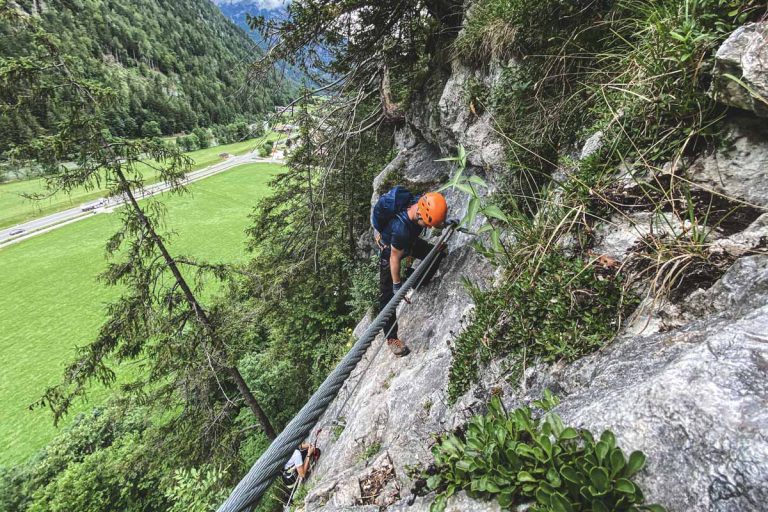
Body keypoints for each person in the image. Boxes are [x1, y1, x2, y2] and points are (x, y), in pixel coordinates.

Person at [372, 189, 449, 357]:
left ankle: (415, 280)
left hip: (409, 242)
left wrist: (446, 222)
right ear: (421, 215)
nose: (429, 227)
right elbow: (394, 258)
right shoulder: (401, 229)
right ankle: (391, 338)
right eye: (428, 224)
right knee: (388, 298)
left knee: (437, 254)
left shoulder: (418, 202)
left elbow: (432, 218)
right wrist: (397, 286)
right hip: (390, 251)